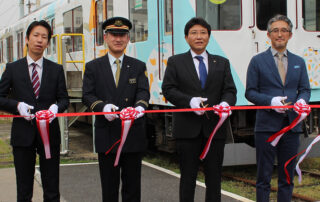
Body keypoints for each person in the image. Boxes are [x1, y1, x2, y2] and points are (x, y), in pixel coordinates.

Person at [162, 17, 237, 202]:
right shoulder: (175, 62)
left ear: (209, 37)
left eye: (203, 33)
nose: (199, 37)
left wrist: (226, 103)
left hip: (215, 129)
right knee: (188, 177)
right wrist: (189, 102)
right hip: (188, 130)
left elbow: (230, 90)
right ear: (186, 37)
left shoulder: (221, 62)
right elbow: (168, 90)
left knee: (214, 178)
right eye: (194, 33)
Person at [82, 16, 150, 202]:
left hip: (133, 135)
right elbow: (87, 95)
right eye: (113, 34)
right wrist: (103, 107)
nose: (118, 39)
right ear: (105, 37)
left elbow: (144, 93)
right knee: (109, 189)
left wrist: (138, 108)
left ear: (128, 38)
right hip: (107, 136)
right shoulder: (93, 67)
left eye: (123, 35)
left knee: (132, 189)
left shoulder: (138, 66)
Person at [0, 20, 69, 202]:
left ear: (48, 42)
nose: (39, 40)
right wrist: (16, 106)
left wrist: (56, 107)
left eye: (44, 37)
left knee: (52, 188)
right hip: (23, 135)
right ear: (27, 39)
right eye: (36, 35)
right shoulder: (12, 69)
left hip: (50, 136)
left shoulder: (56, 70)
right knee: (24, 189)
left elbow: (64, 99)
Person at [245, 14, 310, 202]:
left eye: (284, 30)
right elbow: (250, 92)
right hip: (266, 127)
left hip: (292, 127)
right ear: (268, 35)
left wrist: (302, 101)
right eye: (275, 30)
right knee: (263, 176)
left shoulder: (299, 62)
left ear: (290, 35)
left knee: (287, 175)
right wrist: (270, 101)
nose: (279, 34)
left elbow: (305, 90)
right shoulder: (257, 61)